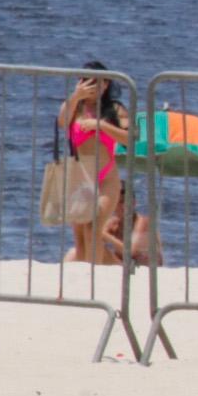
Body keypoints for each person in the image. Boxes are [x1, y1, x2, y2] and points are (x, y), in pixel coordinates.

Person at [55, 62, 131, 263]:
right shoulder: (74, 106)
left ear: (105, 84)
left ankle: (95, 275)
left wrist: (101, 125)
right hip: (80, 176)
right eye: (85, 81)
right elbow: (62, 122)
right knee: (80, 236)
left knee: (93, 228)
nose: (90, 86)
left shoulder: (114, 109)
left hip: (106, 177)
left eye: (96, 82)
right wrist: (76, 96)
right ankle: (83, 275)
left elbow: (130, 138)